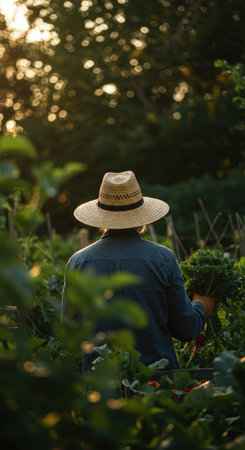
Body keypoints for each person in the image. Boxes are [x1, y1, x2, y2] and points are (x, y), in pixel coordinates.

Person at [62, 170, 215, 371]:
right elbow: (185, 329)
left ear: (101, 219)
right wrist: (201, 307)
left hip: (101, 385)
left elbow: (69, 333)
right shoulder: (164, 258)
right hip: (157, 383)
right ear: (142, 218)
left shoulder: (78, 262)